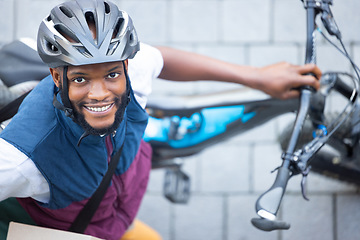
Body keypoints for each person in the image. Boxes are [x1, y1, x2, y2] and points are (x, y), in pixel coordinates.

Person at [0, 0, 321, 239]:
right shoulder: (21, 159)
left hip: (117, 208)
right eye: (81, 79)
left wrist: (256, 77)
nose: (99, 94)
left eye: (112, 74)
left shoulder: (133, 69)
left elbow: (161, 58)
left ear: (126, 66)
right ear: (57, 75)